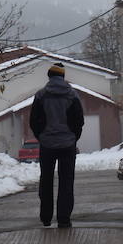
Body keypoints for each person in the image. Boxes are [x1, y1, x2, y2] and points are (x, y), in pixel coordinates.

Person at [29, 63, 84, 228]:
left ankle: (46, 217)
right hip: (67, 144)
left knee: (46, 180)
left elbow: (34, 121)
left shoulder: (41, 95)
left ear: (49, 76)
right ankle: (64, 218)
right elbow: (79, 120)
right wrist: (73, 138)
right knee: (66, 181)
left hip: (47, 144)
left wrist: (41, 136)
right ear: (63, 76)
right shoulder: (72, 95)